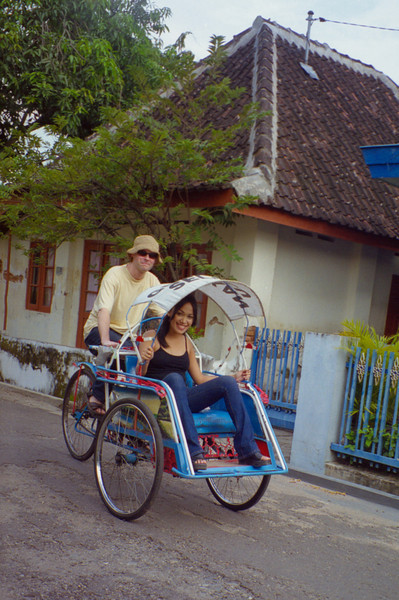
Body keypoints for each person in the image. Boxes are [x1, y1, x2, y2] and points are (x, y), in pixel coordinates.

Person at [139, 294, 271, 471]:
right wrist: (145, 359)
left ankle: (247, 449)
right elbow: (141, 375)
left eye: (189, 317)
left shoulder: (187, 343)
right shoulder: (151, 336)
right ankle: (193, 450)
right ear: (171, 313)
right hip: (157, 399)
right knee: (175, 378)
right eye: (180, 314)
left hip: (181, 399)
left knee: (227, 383)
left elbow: (199, 379)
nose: (184, 320)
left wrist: (234, 377)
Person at [84, 234, 163, 415]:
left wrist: (150, 344)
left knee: (155, 357)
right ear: (133, 255)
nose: (147, 258)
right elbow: (104, 310)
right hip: (99, 329)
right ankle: (96, 397)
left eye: (152, 255)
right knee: (119, 350)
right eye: (143, 253)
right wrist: (105, 340)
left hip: (130, 337)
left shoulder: (153, 281)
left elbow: (156, 317)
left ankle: (138, 415)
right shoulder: (115, 274)